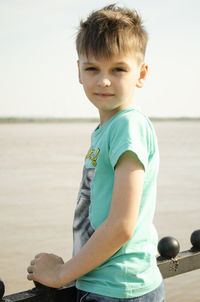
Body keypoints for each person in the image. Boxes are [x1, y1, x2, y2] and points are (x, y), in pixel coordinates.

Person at [27, 4, 165, 301]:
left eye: (118, 69)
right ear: (79, 71)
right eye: (93, 68)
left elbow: (121, 224)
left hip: (118, 290)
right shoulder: (110, 128)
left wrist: (63, 274)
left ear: (141, 73)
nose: (103, 80)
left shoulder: (128, 126)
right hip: (108, 284)